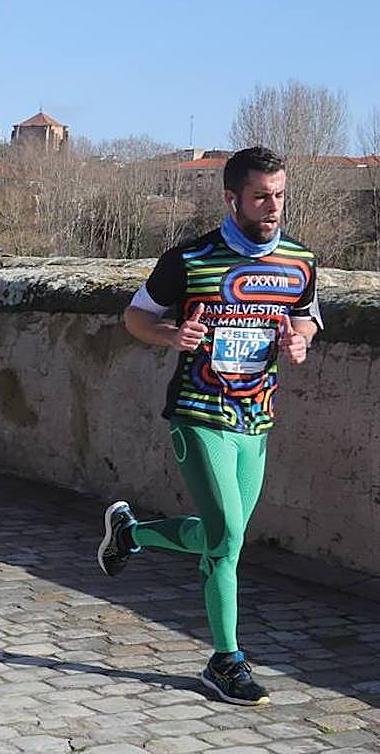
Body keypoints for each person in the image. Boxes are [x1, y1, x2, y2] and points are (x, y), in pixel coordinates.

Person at [99, 146, 320, 707]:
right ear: (232, 199)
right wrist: (172, 336)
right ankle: (225, 660)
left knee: (227, 538)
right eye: (261, 197)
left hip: (256, 416)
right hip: (199, 411)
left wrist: (299, 341)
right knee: (225, 535)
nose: (273, 206)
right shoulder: (190, 259)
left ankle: (131, 534)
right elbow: (135, 317)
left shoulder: (299, 261)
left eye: (280, 195)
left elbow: (306, 318)